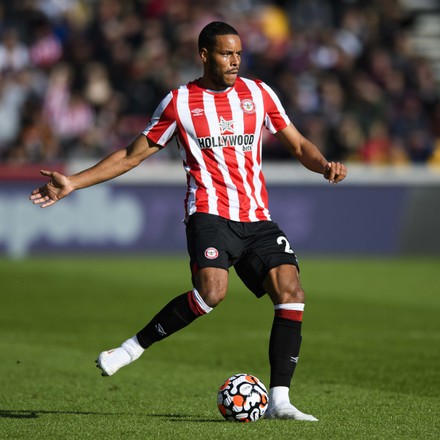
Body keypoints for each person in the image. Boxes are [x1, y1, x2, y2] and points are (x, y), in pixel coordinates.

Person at [30, 21, 347, 421]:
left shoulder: (259, 94)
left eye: (238, 53)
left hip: (257, 216)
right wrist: (74, 182)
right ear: (204, 55)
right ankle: (131, 348)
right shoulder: (179, 102)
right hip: (209, 212)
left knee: (292, 292)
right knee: (212, 293)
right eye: (225, 53)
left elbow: (299, 144)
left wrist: (324, 166)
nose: (235, 61)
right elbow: (131, 155)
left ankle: (280, 401)